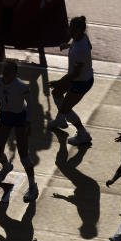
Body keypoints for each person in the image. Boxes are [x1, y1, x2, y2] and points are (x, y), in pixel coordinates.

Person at [0, 59, 37, 202]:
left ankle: (33, 186)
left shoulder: (21, 86)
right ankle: (6, 166)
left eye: (9, 70)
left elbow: (31, 104)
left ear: (15, 73)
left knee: (24, 155)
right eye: (5, 69)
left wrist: (28, 122)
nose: (6, 72)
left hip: (19, 118)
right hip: (5, 116)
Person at [48, 15, 93, 147]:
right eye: (70, 28)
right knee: (56, 93)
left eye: (72, 29)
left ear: (79, 30)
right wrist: (69, 45)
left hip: (81, 82)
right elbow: (88, 46)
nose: (69, 31)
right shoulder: (82, 38)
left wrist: (59, 82)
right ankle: (60, 121)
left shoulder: (80, 50)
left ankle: (83, 134)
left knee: (66, 109)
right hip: (78, 78)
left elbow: (75, 74)